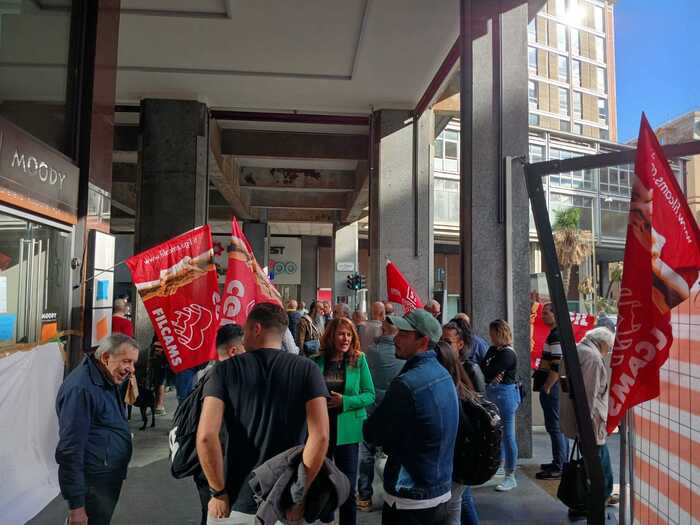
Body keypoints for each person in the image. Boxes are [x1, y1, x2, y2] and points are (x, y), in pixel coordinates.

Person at [196, 303, 330, 524]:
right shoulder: (308, 370)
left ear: (256, 328)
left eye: (245, 330)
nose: (243, 337)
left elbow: (206, 436)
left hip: (233, 500)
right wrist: (299, 496)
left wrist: (218, 492)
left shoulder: (223, 371)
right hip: (283, 503)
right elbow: (320, 436)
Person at [364, 309, 459, 525]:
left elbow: (372, 432)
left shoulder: (407, 384)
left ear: (423, 341)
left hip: (410, 497)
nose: (396, 338)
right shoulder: (443, 373)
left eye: (404, 335)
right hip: (439, 489)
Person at [55, 334, 139, 525]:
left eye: (133, 363)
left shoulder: (106, 377)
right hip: (92, 485)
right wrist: (77, 506)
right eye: (127, 361)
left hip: (105, 478)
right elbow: (70, 450)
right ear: (106, 357)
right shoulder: (81, 389)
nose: (131, 369)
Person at [312, 318, 376, 525]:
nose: (345, 338)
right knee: (324, 481)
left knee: (348, 485)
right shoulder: (316, 360)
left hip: (348, 431)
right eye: (341, 334)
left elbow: (369, 395)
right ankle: (328, 519)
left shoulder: (359, 359)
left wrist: (345, 401)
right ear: (331, 336)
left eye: (349, 334)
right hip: (322, 429)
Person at [559, 327, 618, 519]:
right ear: (601, 343)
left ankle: (588, 498)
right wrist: (584, 427)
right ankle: (595, 499)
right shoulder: (592, 357)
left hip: (580, 420)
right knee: (598, 463)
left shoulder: (575, 349)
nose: (607, 352)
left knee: (592, 461)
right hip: (590, 423)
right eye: (608, 348)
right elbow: (589, 395)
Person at [194, 323, 245, 525]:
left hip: (203, 465)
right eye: (246, 349)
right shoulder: (225, 381)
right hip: (216, 466)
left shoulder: (206, 375)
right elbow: (209, 436)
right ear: (234, 351)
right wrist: (219, 490)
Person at [357, 318, 404, 511]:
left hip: (371, 411)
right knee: (393, 454)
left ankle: (364, 497)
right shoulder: (403, 355)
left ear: (382, 331)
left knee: (365, 455)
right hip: (394, 413)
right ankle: (393, 495)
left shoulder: (371, 352)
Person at [434, 341, 480, 525]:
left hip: (451, 466)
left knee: (452, 509)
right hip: (463, 464)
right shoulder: (464, 392)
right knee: (457, 506)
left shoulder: (447, 396)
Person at [481, 319, 520, 492]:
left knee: (508, 435)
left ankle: (510, 475)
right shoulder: (492, 349)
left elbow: (487, 371)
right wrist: (489, 372)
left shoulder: (507, 353)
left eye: (493, 333)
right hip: (494, 392)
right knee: (498, 432)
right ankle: (500, 465)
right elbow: (484, 369)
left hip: (505, 395)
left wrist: (490, 371)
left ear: (500, 333)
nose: (490, 336)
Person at [532, 303, 568, 480]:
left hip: (552, 388)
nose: (543, 316)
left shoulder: (557, 335)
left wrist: (547, 386)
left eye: (546, 313)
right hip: (552, 386)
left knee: (555, 427)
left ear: (555, 315)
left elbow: (557, 363)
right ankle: (560, 461)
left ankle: (559, 465)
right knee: (556, 426)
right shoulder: (555, 333)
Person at [441, 322, 485, 394]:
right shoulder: (436, 364)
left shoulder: (472, 369)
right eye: (440, 341)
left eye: (448, 342)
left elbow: (481, 400)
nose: (443, 345)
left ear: (460, 344)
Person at [147, 336, 168, 415]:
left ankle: (160, 405)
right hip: (156, 359)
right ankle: (156, 405)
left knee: (160, 382)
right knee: (156, 382)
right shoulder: (157, 331)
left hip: (163, 359)